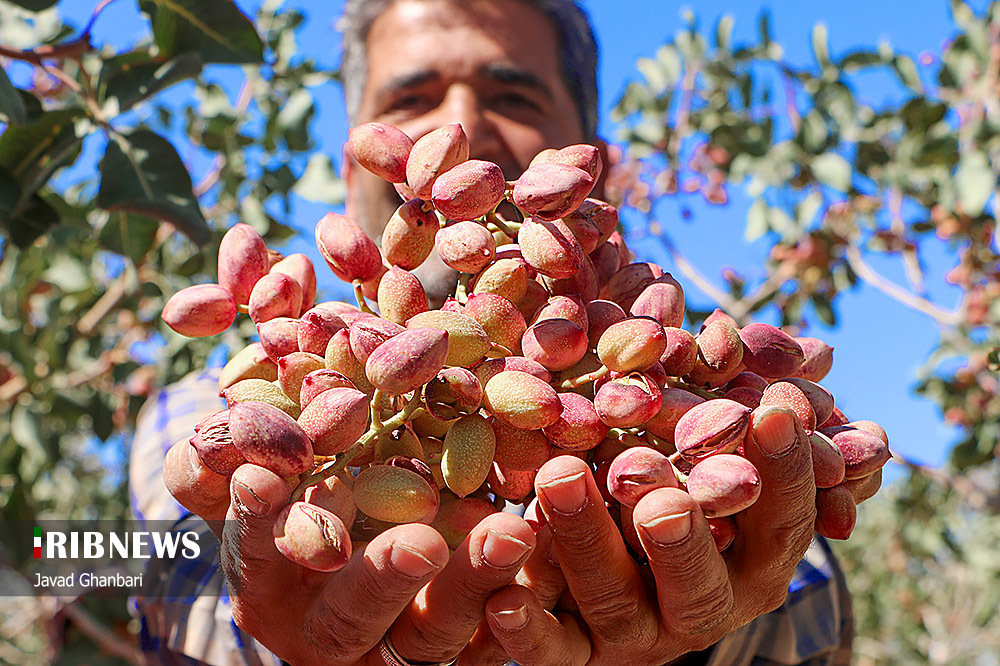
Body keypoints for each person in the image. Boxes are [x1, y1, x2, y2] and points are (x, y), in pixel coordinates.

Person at [131, 1, 856, 664]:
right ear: (356, 157)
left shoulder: (680, 378)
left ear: (588, 170)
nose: (462, 130)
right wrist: (281, 629)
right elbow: (183, 578)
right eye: (409, 99)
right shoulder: (223, 397)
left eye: (514, 95)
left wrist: (705, 633)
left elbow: (799, 578)